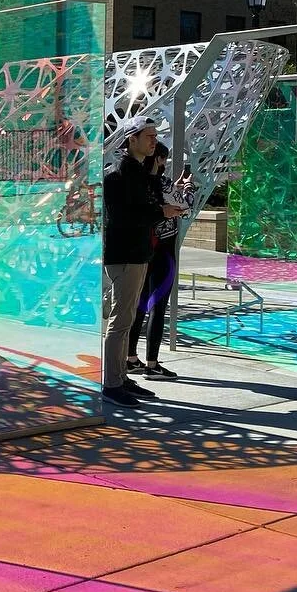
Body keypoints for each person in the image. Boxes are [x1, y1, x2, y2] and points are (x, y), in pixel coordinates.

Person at [102, 118, 186, 405]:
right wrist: (162, 211)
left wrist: (160, 204)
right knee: (120, 320)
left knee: (125, 320)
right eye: (148, 136)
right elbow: (127, 217)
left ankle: (123, 378)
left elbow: (144, 207)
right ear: (131, 140)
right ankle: (112, 384)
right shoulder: (119, 177)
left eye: (155, 136)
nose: (154, 141)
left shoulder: (139, 174)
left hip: (138, 255)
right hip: (125, 255)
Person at [128, 143, 195, 379]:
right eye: (163, 159)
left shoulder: (140, 182)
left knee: (139, 304)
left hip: (143, 248)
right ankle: (152, 364)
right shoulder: (162, 183)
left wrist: (175, 188)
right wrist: (188, 187)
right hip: (164, 250)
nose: (165, 164)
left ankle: (130, 358)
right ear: (158, 159)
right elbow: (187, 204)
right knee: (158, 305)